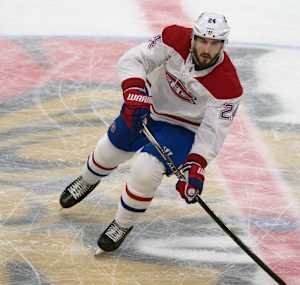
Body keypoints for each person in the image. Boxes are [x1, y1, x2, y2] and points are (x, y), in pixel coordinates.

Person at [59, 12, 243, 253]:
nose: (207, 49)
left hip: (181, 128)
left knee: (145, 171)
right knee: (109, 150)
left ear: (223, 44)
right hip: (146, 107)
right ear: (193, 38)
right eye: (202, 41)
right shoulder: (174, 37)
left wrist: (195, 165)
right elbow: (134, 59)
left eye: (214, 43)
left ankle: (122, 224)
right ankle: (87, 180)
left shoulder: (229, 86)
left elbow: (212, 133)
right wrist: (135, 92)